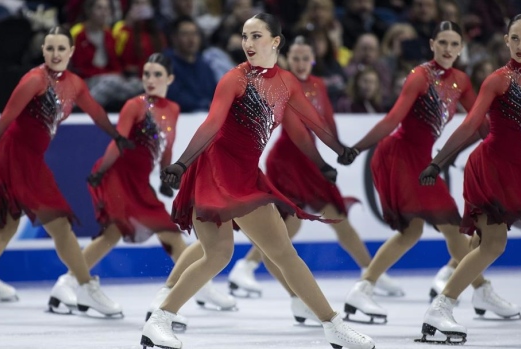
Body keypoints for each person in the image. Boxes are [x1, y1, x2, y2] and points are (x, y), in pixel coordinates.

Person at [141, 13, 374, 349]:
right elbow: (211, 125)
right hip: (216, 170)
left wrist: (337, 152)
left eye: (256, 36)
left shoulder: (287, 84)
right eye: (244, 36)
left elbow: (310, 125)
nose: (248, 43)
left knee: (282, 252)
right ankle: (161, 318)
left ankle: (333, 325)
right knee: (218, 254)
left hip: (248, 175)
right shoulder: (235, 79)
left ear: (275, 41)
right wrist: (181, 163)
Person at [418, 14, 521, 344]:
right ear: (507, 41)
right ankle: (440, 310)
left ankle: (440, 308)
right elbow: (471, 125)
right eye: (515, 38)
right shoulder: (498, 80)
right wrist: (438, 162)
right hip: (491, 168)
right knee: (495, 244)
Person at [342, 21, 519, 324]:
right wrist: (356, 149)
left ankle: (363, 287)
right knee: (451, 225)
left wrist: (449, 156)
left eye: (454, 44)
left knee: (411, 232)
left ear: (461, 48)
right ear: (432, 44)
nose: (448, 49)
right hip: (399, 154)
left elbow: (482, 126)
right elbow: (392, 119)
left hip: (422, 159)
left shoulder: (461, 80)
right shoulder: (419, 76)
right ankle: (480, 289)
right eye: (443, 43)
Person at [49, 53, 235, 317]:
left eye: (157, 74)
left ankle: (197, 284)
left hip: (139, 180)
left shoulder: (173, 108)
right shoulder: (134, 106)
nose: (150, 79)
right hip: (117, 175)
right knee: (116, 232)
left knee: (163, 232)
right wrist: (101, 171)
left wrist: (165, 176)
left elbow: (166, 146)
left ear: (169, 78)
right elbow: (118, 140)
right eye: (146, 74)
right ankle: (69, 281)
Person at [0, 26, 133, 322]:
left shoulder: (76, 84)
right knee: (22, 226)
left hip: (31, 160)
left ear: (71, 52)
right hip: (10, 156)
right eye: (50, 48)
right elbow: (5, 119)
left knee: (46, 226)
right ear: (43, 51)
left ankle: (83, 287)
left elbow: (96, 113)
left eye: (61, 49)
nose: (56, 54)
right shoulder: (34, 80)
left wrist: (117, 137)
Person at [228, 36, 404, 303]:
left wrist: (339, 149)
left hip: (310, 161)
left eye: (304, 58)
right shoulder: (282, 83)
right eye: (295, 58)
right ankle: (246, 266)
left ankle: (372, 272)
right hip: (288, 162)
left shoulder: (319, 84)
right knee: (289, 224)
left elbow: (326, 120)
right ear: (289, 59)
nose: (300, 63)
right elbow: (292, 128)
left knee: (338, 217)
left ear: (312, 60)